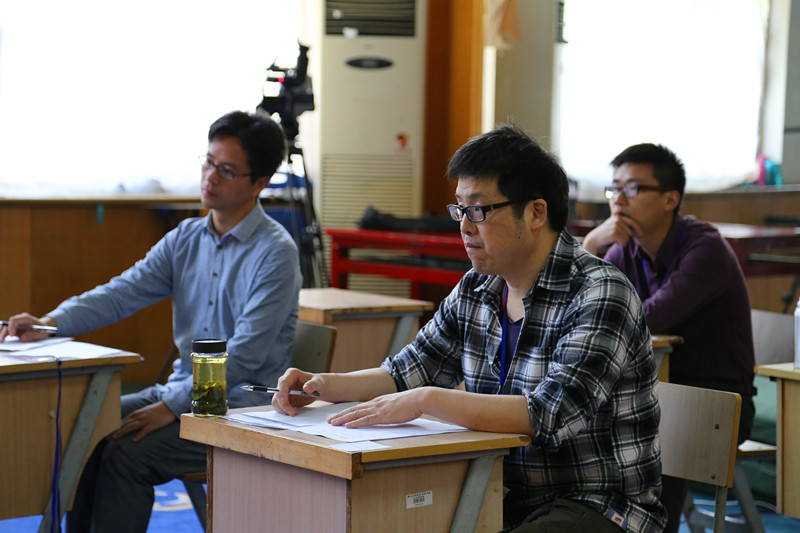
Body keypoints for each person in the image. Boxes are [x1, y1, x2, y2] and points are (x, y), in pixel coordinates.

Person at [273, 125, 667, 532]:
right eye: (459, 209)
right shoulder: (478, 287)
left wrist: (425, 399)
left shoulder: (600, 292)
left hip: (597, 506)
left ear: (536, 212)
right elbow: (407, 371)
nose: (464, 226)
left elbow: (549, 414)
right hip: (497, 492)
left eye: (478, 210)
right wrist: (322, 386)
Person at [0, 110, 303, 533]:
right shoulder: (186, 238)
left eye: (227, 170)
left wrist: (173, 407)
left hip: (242, 408)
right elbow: (122, 293)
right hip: (182, 391)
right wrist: (50, 323)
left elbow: (245, 356)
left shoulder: (275, 253)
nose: (210, 177)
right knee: (82, 427)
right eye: (209, 162)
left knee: (126, 453)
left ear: (259, 184)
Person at [582, 143, 755, 533]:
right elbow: (585, 311)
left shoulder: (705, 248)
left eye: (632, 188)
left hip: (718, 401)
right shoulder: (624, 250)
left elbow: (646, 319)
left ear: (669, 199)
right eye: (614, 188)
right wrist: (591, 245)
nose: (618, 199)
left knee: (648, 429)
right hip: (653, 392)